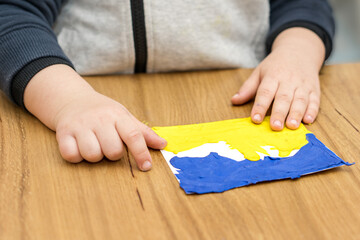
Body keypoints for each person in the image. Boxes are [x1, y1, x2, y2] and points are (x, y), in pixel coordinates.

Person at [0, 0, 335, 171]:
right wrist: (69, 101)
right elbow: (11, 15)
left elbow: (303, 4)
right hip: (80, 103)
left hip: (243, 97)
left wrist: (298, 52)